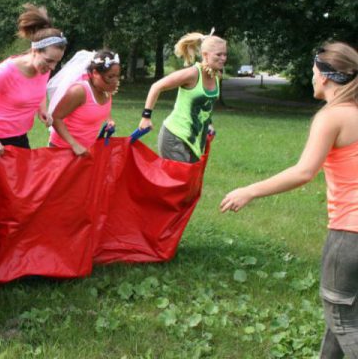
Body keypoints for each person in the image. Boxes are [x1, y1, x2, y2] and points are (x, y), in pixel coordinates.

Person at [220, 42, 358, 358]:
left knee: (343, 318)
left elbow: (304, 172)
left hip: (349, 233)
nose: (311, 80)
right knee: (343, 314)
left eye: (313, 74)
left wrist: (249, 190)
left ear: (325, 77)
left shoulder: (332, 116)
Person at [0, 4, 67, 155]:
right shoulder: (5, 72)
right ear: (35, 50)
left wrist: (41, 109)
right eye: (49, 61)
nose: (52, 67)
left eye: (56, 62)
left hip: (20, 137)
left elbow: (40, 90)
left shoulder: (43, 69)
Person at [138, 30, 227, 163]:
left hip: (194, 140)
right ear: (205, 55)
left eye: (225, 54)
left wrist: (209, 124)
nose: (223, 58)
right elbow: (156, 86)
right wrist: (146, 117)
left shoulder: (216, 76)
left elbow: (205, 105)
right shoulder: (192, 74)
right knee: (179, 183)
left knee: (190, 183)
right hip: (175, 137)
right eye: (218, 54)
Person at [48, 50, 120, 156]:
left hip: (85, 150)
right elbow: (55, 118)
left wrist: (109, 120)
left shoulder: (106, 90)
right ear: (95, 73)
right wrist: (74, 145)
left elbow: (101, 108)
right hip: (63, 150)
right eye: (110, 77)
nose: (115, 81)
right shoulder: (79, 91)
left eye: (117, 76)